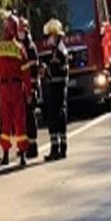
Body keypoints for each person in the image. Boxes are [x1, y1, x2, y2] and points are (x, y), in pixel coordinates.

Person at [0, 15, 31, 166]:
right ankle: (22, 155)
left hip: (4, 89)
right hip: (16, 88)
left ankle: (6, 155)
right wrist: (28, 92)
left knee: (6, 123)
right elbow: (26, 73)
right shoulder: (20, 48)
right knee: (20, 122)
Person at [42, 19, 69, 161]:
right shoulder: (58, 50)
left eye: (50, 36)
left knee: (55, 117)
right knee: (59, 116)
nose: (49, 39)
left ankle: (56, 149)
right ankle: (60, 147)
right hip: (57, 88)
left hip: (56, 89)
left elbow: (57, 71)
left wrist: (46, 71)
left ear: (56, 36)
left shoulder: (58, 52)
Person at [18, 17, 40, 159]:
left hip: (29, 88)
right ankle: (25, 146)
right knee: (23, 118)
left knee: (30, 118)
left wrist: (31, 89)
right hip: (21, 88)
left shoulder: (30, 47)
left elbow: (33, 71)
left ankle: (32, 147)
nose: (21, 32)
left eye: (22, 30)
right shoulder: (19, 46)